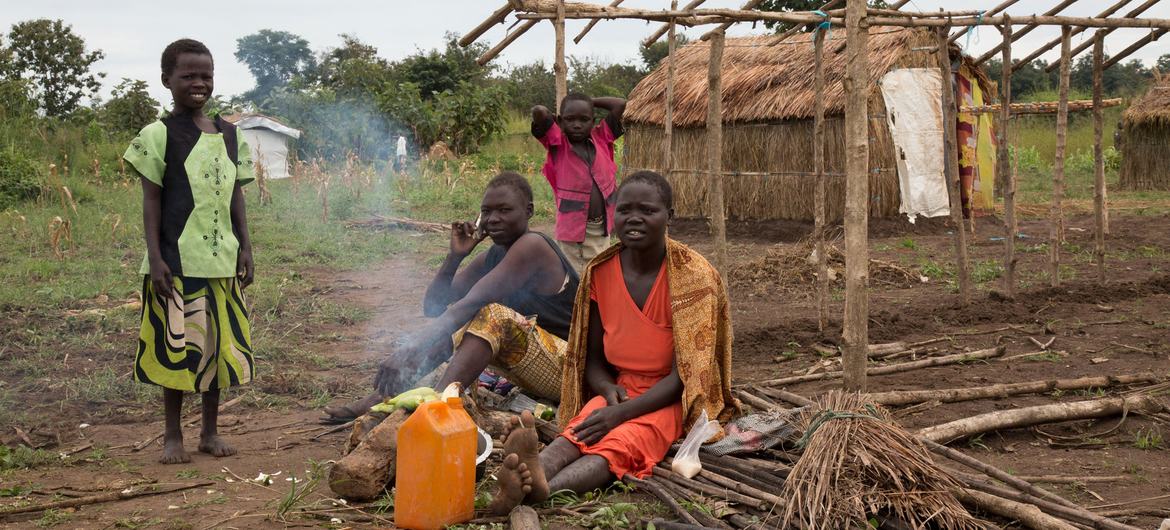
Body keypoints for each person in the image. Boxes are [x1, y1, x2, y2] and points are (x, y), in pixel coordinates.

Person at [487, 171, 739, 515]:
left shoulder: (694, 277)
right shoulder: (600, 272)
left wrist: (621, 414)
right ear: (613, 215)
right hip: (620, 389)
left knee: (620, 443)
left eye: (647, 210)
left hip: (673, 398)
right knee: (577, 432)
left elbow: (689, 375)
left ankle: (545, 490)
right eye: (624, 210)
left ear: (670, 216)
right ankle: (533, 469)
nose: (634, 218)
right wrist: (607, 390)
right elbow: (592, 359)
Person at [323, 172, 580, 422]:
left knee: (489, 315)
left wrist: (408, 349)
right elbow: (434, 307)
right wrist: (455, 256)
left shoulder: (532, 246)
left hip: (571, 371)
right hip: (537, 370)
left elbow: (469, 304)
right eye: (487, 212)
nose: (493, 219)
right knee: (461, 321)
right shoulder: (494, 255)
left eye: (504, 210)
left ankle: (434, 406)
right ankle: (384, 397)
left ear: (529, 211)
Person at [124, 39, 256, 464]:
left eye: (206, 76)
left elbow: (237, 197)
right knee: (177, 350)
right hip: (175, 263)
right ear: (167, 81)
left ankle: (210, 433)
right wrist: (156, 258)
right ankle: (172, 436)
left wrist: (246, 249)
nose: (199, 83)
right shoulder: (157, 134)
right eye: (188, 76)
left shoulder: (231, 134)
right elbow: (151, 202)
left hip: (221, 263)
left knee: (214, 351)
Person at [531, 93, 626, 273]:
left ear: (593, 120)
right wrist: (554, 123)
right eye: (570, 119)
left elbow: (620, 104)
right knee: (578, 277)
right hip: (574, 232)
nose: (576, 124)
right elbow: (539, 111)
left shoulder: (602, 136)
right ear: (560, 121)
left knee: (601, 272)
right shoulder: (558, 143)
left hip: (602, 227)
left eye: (584, 119)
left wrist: (590, 101)